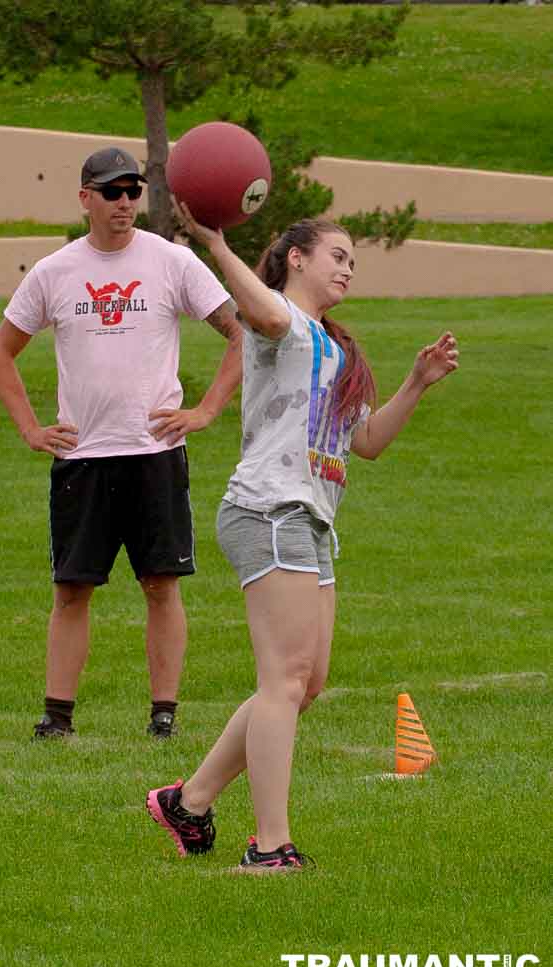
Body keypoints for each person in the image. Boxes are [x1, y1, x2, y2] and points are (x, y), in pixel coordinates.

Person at [146, 210, 459, 870]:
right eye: (336, 255)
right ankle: (268, 846)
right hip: (269, 510)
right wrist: (216, 243)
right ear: (295, 259)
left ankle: (189, 800)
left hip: (311, 521)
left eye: (353, 261)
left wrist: (416, 383)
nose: (347, 267)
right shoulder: (279, 326)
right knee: (283, 680)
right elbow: (254, 311)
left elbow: (366, 443)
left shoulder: (332, 346)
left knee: (304, 683)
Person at [0, 147, 243, 740]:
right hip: (82, 458)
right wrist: (31, 429)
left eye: (132, 191)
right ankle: (57, 717)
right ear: (85, 199)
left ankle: (164, 715)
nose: (124, 202)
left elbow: (239, 333)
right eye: (111, 191)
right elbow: (0, 353)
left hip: (154, 453)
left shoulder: (173, 262)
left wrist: (205, 411)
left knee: (160, 583)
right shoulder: (54, 272)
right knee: (72, 589)